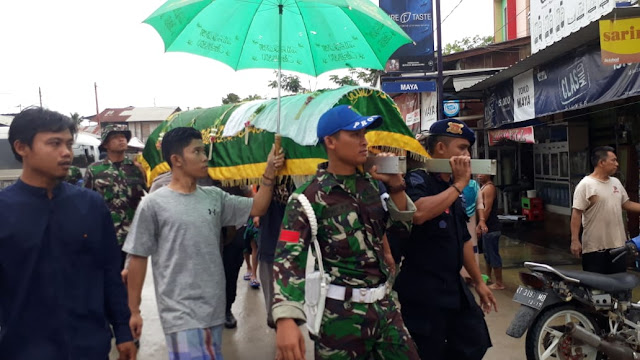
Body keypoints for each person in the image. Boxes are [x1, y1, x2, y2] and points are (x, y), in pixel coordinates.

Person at [273, 105, 420, 360]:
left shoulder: (372, 186)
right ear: (330, 141)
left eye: (364, 134)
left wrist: (396, 186)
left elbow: (400, 232)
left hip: (385, 310)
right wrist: (286, 318)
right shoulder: (306, 198)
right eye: (355, 134)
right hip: (340, 318)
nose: (364, 141)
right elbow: (288, 259)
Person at [123, 127, 284, 360]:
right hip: (180, 313)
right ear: (176, 159)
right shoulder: (154, 204)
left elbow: (258, 206)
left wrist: (269, 171)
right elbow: (137, 257)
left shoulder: (214, 197)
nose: (205, 157)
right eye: (197, 151)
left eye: (204, 150)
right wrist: (134, 310)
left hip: (214, 308)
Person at [0, 107, 136, 359]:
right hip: (23, 349)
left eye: (68, 144)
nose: (66, 153)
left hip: (89, 346)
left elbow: (109, 275)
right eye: (54, 143)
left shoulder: (92, 206)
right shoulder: (3, 211)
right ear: (21, 148)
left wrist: (123, 331)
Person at [394, 119, 496, 360]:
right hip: (424, 289)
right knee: (429, 351)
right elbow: (418, 213)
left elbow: (462, 239)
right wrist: (460, 184)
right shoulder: (417, 180)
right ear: (441, 149)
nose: (467, 156)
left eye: (468, 150)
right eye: (461, 148)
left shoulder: (450, 186)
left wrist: (479, 282)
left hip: (453, 286)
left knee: (474, 341)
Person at [84, 124, 147, 269]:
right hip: (107, 234)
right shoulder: (95, 170)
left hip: (133, 234)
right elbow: (86, 203)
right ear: (106, 144)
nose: (121, 140)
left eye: (123, 137)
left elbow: (149, 195)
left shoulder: (136, 168)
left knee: (132, 277)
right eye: (116, 137)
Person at [571, 146, 640, 274]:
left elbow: (627, 204)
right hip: (595, 249)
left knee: (618, 287)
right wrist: (575, 240)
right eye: (613, 160)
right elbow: (576, 213)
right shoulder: (586, 185)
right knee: (596, 289)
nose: (617, 164)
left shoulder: (616, 182)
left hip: (618, 247)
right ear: (601, 163)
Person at [258, 177, 295, 329]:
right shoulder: (263, 177)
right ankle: (274, 320)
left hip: (291, 242)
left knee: (291, 291)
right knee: (271, 293)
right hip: (269, 241)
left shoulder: (297, 177)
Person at [477, 173, 504, 290]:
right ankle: (488, 276)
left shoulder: (489, 188)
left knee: (493, 255)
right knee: (487, 255)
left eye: (482, 173)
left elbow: (487, 209)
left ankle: (499, 282)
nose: (478, 175)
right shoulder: (484, 187)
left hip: (491, 227)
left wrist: (480, 223)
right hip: (488, 227)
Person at [459, 178, 485, 283]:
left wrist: (482, 221)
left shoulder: (474, 185)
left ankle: (472, 277)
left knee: (472, 247)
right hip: (456, 220)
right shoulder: (452, 184)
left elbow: (480, 204)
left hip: (471, 222)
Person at [243, 216, 261, 289]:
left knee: (254, 245)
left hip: (255, 216)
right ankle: (248, 267)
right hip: (243, 215)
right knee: (244, 246)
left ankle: (254, 275)